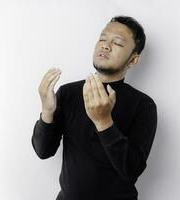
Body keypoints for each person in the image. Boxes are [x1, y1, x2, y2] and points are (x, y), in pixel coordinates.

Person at [31, 15, 158, 200]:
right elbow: (43, 151)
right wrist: (47, 112)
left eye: (118, 43)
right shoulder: (68, 93)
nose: (105, 45)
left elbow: (132, 170)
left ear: (133, 60)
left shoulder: (143, 105)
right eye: (103, 38)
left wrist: (104, 122)